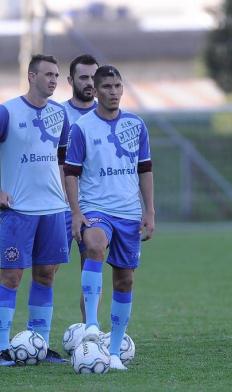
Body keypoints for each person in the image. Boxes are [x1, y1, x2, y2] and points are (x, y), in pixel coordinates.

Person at [64, 65, 155, 370]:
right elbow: (71, 173)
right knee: (94, 244)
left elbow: (145, 169)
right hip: (95, 209)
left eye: (117, 86)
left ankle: (114, 353)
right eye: (107, 87)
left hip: (129, 213)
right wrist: (76, 212)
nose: (113, 92)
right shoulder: (83, 128)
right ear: (96, 90)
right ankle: (91, 323)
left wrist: (149, 211)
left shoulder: (136, 125)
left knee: (125, 280)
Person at [0, 54, 69, 366]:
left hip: (53, 208)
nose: (54, 80)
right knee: (11, 275)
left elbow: (65, 162)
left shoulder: (60, 115)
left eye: (56, 75)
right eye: (48, 74)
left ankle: (37, 343)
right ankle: (2, 346)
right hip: (17, 209)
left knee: (45, 275)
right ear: (31, 76)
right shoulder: (7, 112)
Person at [62, 54, 99, 322]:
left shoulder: (108, 117)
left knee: (90, 270)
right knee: (46, 270)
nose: (89, 83)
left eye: (93, 77)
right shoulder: (58, 114)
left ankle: (91, 330)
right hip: (59, 205)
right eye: (83, 77)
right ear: (70, 80)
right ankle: (36, 336)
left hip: (93, 206)